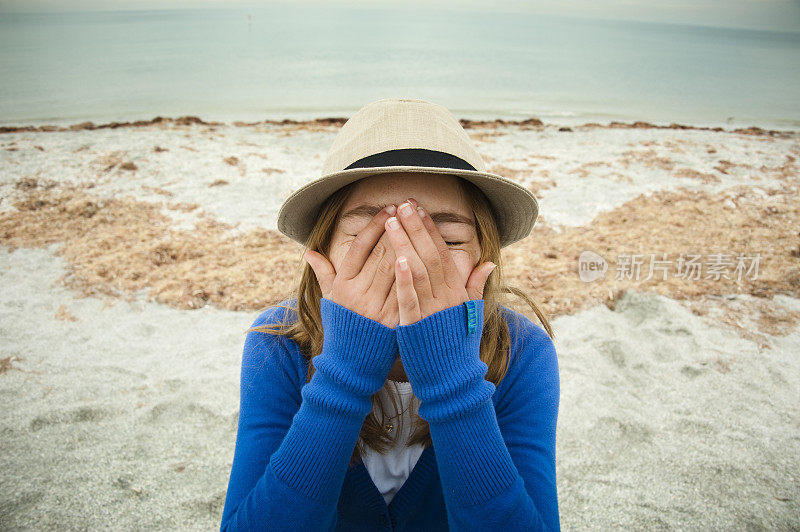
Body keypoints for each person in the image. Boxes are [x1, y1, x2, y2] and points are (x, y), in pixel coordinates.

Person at [219, 98, 560, 531]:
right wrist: (343, 371)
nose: (406, 259)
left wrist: (452, 377)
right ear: (321, 250)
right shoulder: (278, 343)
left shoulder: (523, 352)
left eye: (449, 239)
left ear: (483, 256)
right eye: (371, 233)